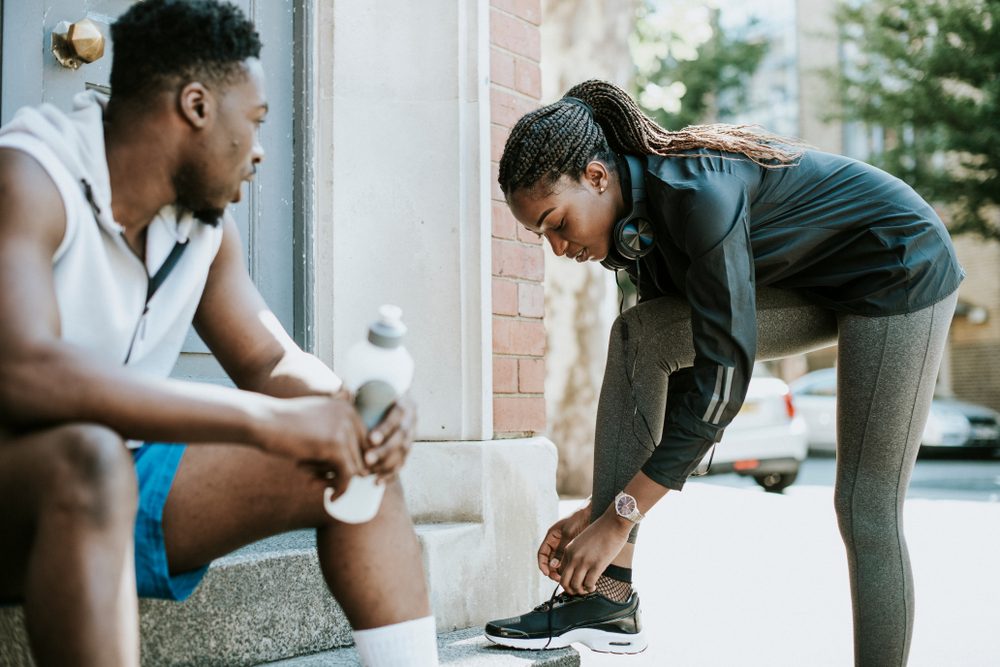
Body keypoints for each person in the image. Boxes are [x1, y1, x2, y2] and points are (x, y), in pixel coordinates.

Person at [0, 1, 436, 665]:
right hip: (26, 483)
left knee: (352, 465)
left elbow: (266, 358)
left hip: (113, 484)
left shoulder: (201, 228)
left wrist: (350, 413)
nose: (260, 151)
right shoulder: (30, 177)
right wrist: (264, 422)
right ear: (196, 106)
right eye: (255, 121)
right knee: (88, 457)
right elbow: (26, 372)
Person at [484, 80, 963, 665]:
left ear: (597, 176)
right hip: (813, 281)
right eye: (543, 236)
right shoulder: (641, 229)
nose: (558, 247)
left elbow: (721, 381)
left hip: (899, 267)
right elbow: (676, 379)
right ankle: (606, 598)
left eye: (557, 222)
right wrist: (601, 512)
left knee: (865, 507)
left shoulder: (695, 193)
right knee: (640, 336)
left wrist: (619, 517)